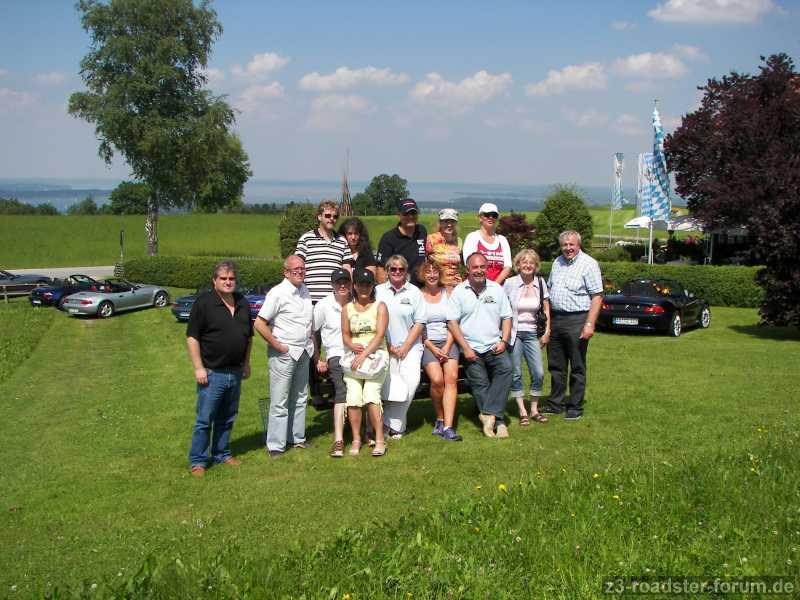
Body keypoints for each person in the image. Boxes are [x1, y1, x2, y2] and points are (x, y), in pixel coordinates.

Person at [186, 260, 253, 477]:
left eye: (231, 278)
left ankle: (222, 453)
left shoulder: (242, 302)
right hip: (212, 373)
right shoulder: (204, 303)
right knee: (205, 419)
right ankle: (198, 460)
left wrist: (246, 363)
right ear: (214, 280)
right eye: (223, 278)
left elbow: (248, 337)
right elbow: (192, 337)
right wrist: (199, 367)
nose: (228, 282)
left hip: (235, 371)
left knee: (228, 417)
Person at [447, 252, 513, 438]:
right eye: (475, 267)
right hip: (471, 348)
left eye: (482, 267)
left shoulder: (496, 289)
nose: (479, 271)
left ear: (486, 268)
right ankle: (499, 423)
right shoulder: (459, 291)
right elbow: (452, 322)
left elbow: (507, 317)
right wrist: (465, 348)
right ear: (467, 269)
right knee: (480, 384)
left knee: (507, 369)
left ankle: (489, 417)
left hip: (494, 345)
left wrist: (504, 340)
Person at [255, 255, 314, 457]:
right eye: (295, 269)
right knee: (280, 400)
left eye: (302, 268)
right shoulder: (277, 293)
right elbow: (259, 323)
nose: (300, 272)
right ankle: (276, 445)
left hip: (304, 351)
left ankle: (297, 438)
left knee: (300, 397)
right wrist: (278, 346)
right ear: (286, 272)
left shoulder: (305, 291)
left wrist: (311, 341)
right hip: (284, 354)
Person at [542, 230, 603, 421]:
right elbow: (550, 290)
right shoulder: (557, 262)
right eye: (565, 245)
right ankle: (556, 403)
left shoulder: (589, 264)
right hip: (557, 319)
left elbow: (597, 296)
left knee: (577, 364)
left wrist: (589, 324)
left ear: (579, 245)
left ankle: (575, 406)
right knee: (556, 365)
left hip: (578, 319)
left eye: (572, 245)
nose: (568, 248)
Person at [375, 255, 426, 438]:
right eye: (393, 269)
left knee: (411, 383)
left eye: (401, 269)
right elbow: (373, 321)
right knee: (390, 385)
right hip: (384, 347)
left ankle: (390, 424)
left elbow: (420, 322)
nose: (397, 272)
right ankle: (398, 428)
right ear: (387, 271)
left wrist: (405, 346)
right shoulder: (378, 291)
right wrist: (389, 347)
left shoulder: (414, 292)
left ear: (406, 271)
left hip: (411, 346)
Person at [341, 268, 389, 457]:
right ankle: (356, 439)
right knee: (353, 396)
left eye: (368, 284)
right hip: (354, 357)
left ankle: (379, 439)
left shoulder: (380, 306)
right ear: (354, 285)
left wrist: (364, 354)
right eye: (360, 283)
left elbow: (380, 335)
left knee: (371, 395)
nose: (364, 288)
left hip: (376, 357)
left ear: (372, 287)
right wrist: (352, 346)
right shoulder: (347, 309)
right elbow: (345, 334)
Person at [503, 249, 551, 426]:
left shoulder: (541, 283)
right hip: (514, 334)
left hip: (533, 334)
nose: (528, 265)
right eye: (524, 262)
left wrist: (547, 332)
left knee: (538, 372)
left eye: (531, 262)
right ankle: (522, 411)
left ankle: (534, 409)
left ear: (536, 266)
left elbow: (546, 309)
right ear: (518, 265)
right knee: (516, 373)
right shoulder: (509, 283)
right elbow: (502, 309)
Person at [418, 259, 462, 441]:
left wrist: (446, 345)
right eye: (428, 272)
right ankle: (440, 418)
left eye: (435, 271)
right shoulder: (417, 295)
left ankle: (449, 427)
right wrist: (432, 348)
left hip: (449, 340)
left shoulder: (449, 292)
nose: (432, 275)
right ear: (423, 275)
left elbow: (454, 322)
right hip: (427, 343)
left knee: (451, 378)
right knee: (436, 380)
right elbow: (417, 327)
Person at [313, 268, 353, 458]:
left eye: (346, 282)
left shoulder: (357, 302)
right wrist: (318, 357)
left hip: (356, 352)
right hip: (336, 355)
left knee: (363, 388)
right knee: (342, 391)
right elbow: (312, 332)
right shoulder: (323, 305)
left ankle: (365, 434)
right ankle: (339, 439)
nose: (342, 285)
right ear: (332, 285)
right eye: (339, 282)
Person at [295, 199, 353, 303]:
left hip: (334, 300)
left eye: (335, 216)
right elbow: (297, 266)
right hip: (309, 299)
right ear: (319, 217)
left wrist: (349, 294)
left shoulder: (342, 241)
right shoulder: (306, 238)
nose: (331, 219)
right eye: (327, 216)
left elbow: (347, 269)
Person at [375, 198, 428, 284]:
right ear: (399, 215)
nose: (410, 216)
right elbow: (381, 268)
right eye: (406, 213)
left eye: (413, 213)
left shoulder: (422, 230)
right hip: (399, 287)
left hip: (421, 287)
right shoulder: (388, 238)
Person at [462, 202, 512, 284]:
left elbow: (507, 266)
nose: (491, 217)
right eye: (487, 215)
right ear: (480, 217)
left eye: (494, 215)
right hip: (476, 286)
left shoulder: (502, 240)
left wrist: (494, 286)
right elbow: (470, 265)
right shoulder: (472, 237)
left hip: (499, 288)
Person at [425, 208, 463, 289]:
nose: (449, 225)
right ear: (440, 223)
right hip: (438, 285)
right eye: (446, 221)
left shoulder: (458, 241)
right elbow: (425, 263)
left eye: (452, 221)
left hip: (457, 285)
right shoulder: (431, 240)